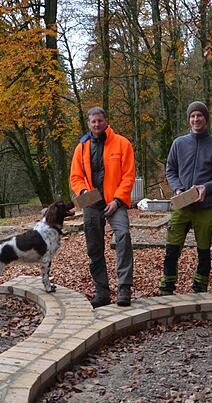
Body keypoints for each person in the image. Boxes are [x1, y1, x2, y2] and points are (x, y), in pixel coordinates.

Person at [159, 101, 212, 295]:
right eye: (192, 116)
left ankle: (199, 288)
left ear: (205, 119)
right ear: (188, 119)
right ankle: (167, 287)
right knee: (172, 249)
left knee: (204, 251)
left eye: (199, 115)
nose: (196, 119)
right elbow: (171, 170)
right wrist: (177, 189)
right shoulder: (179, 143)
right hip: (181, 205)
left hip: (205, 207)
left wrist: (206, 187)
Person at [70, 107, 136, 308]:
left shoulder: (122, 144)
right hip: (91, 202)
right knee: (94, 248)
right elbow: (75, 177)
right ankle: (102, 292)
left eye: (100, 121)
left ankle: (124, 288)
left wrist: (117, 200)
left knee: (123, 236)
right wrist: (83, 193)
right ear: (89, 124)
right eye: (93, 122)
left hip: (115, 201)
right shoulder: (82, 147)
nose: (96, 124)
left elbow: (128, 175)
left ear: (106, 121)